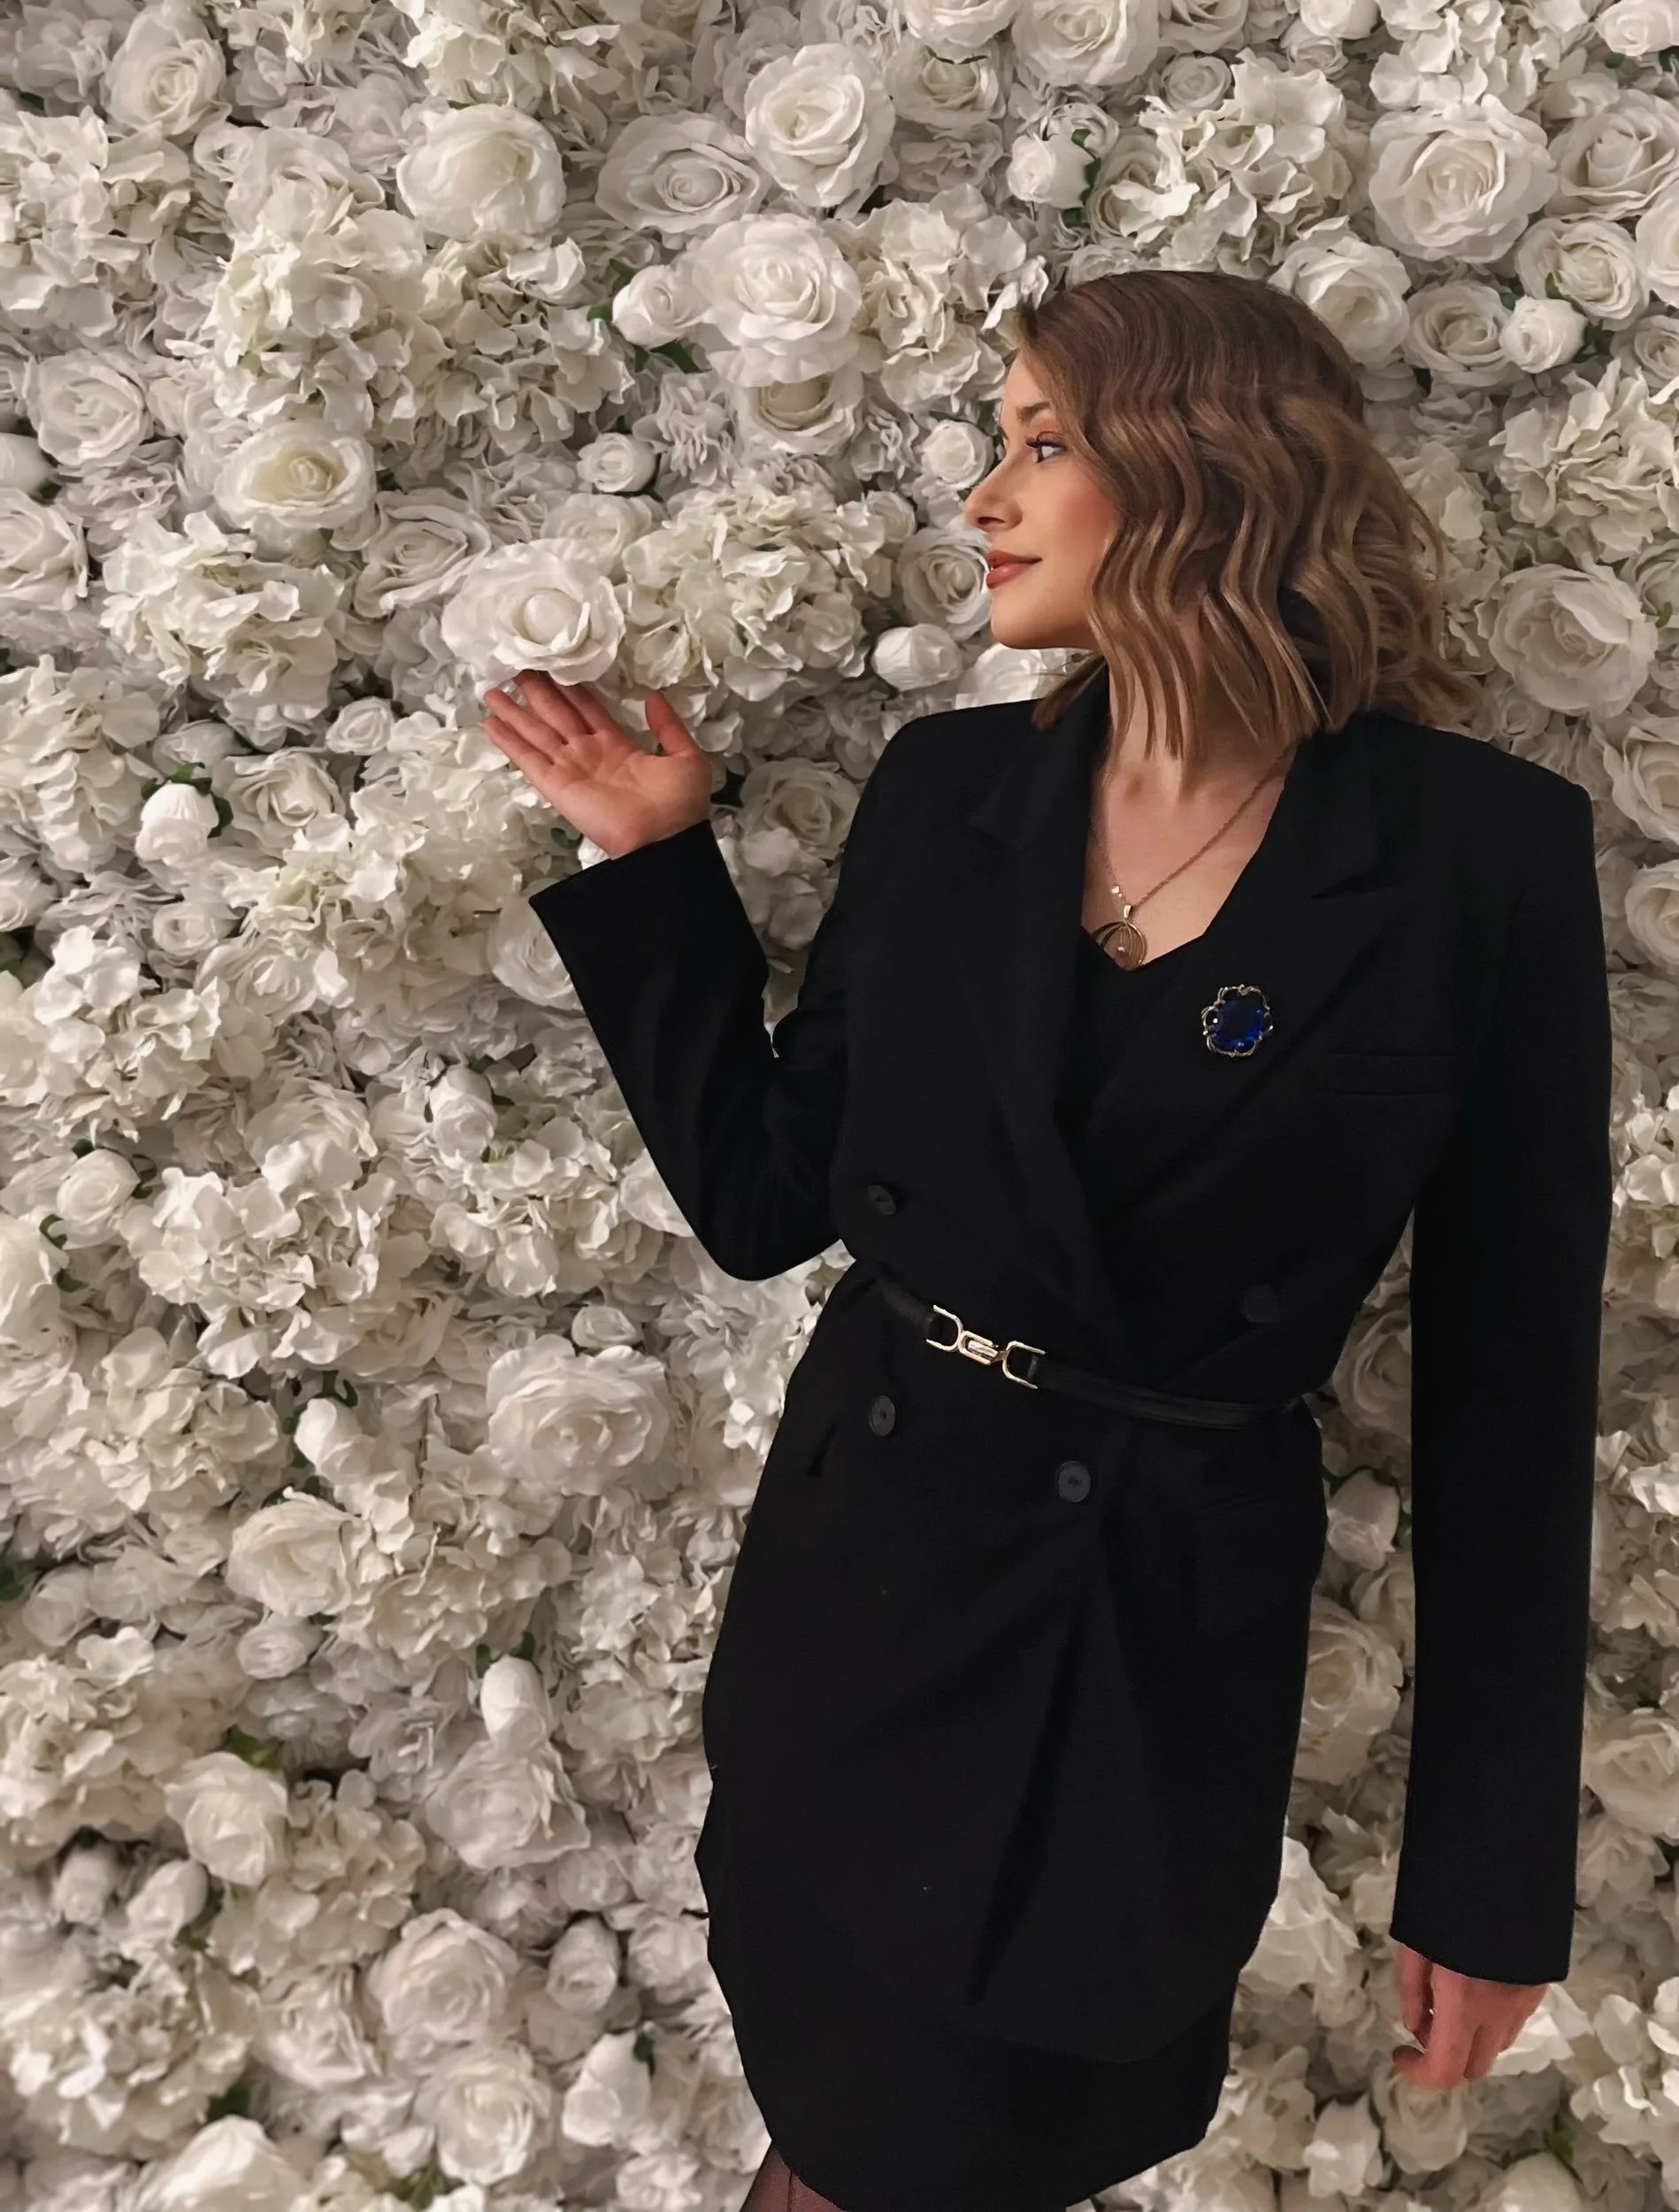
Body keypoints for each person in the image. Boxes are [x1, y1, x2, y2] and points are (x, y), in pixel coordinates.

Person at [485, 268, 1614, 2212]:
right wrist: (652, 866)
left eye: (1040, 440)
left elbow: (1511, 1388)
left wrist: (1488, 1872)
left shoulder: (1472, 855)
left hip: (1141, 1655)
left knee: (949, 2143)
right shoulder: (949, 794)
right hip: (862, 1602)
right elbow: (768, 1199)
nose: (983, 495)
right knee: (835, 2121)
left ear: (1198, 469)